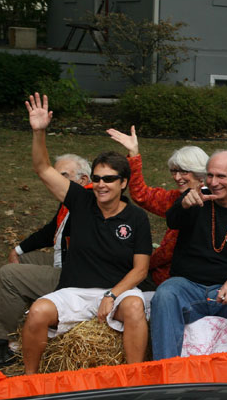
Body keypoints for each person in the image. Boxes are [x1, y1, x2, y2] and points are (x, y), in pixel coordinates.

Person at [22, 93, 153, 375]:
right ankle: (29, 382)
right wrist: (39, 132)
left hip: (118, 294)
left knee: (133, 306)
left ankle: (136, 379)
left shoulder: (136, 218)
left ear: (123, 183)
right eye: (96, 179)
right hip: (75, 292)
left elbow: (141, 270)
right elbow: (42, 168)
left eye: (108, 179)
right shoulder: (81, 201)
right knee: (37, 313)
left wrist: (111, 293)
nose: (100, 185)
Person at [150, 150, 227, 360]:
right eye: (210, 175)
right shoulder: (195, 199)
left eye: (221, 176)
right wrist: (183, 204)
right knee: (166, 292)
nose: (214, 182)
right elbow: (173, 220)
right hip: (191, 289)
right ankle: (166, 371)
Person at [0, 154, 91, 367]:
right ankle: (22, 321)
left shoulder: (87, 203)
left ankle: (7, 342)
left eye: (63, 176)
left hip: (75, 276)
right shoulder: (69, 202)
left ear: (84, 180)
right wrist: (19, 248)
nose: (55, 181)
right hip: (64, 260)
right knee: (23, 259)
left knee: (9, 274)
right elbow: (51, 231)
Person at [107, 125, 209, 287]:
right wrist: (133, 153)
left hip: (181, 283)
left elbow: (169, 251)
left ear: (200, 172)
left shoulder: (212, 203)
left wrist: (146, 265)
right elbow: (142, 195)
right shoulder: (174, 198)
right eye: (174, 171)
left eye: (184, 172)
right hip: (159, 275)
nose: (177, 177)